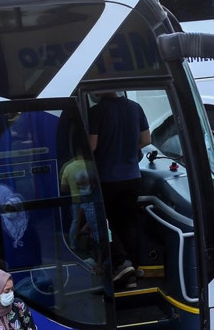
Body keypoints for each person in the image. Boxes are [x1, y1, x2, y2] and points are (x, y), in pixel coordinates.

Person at [89, 92, 151, 288]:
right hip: (132, 176)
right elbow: (146, 139)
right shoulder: (135, 107)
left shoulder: (96, 112)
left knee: (105, 224)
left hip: (106, 178)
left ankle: (121, 263)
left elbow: (92, 145)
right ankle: (131, 269)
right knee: (128, 223)